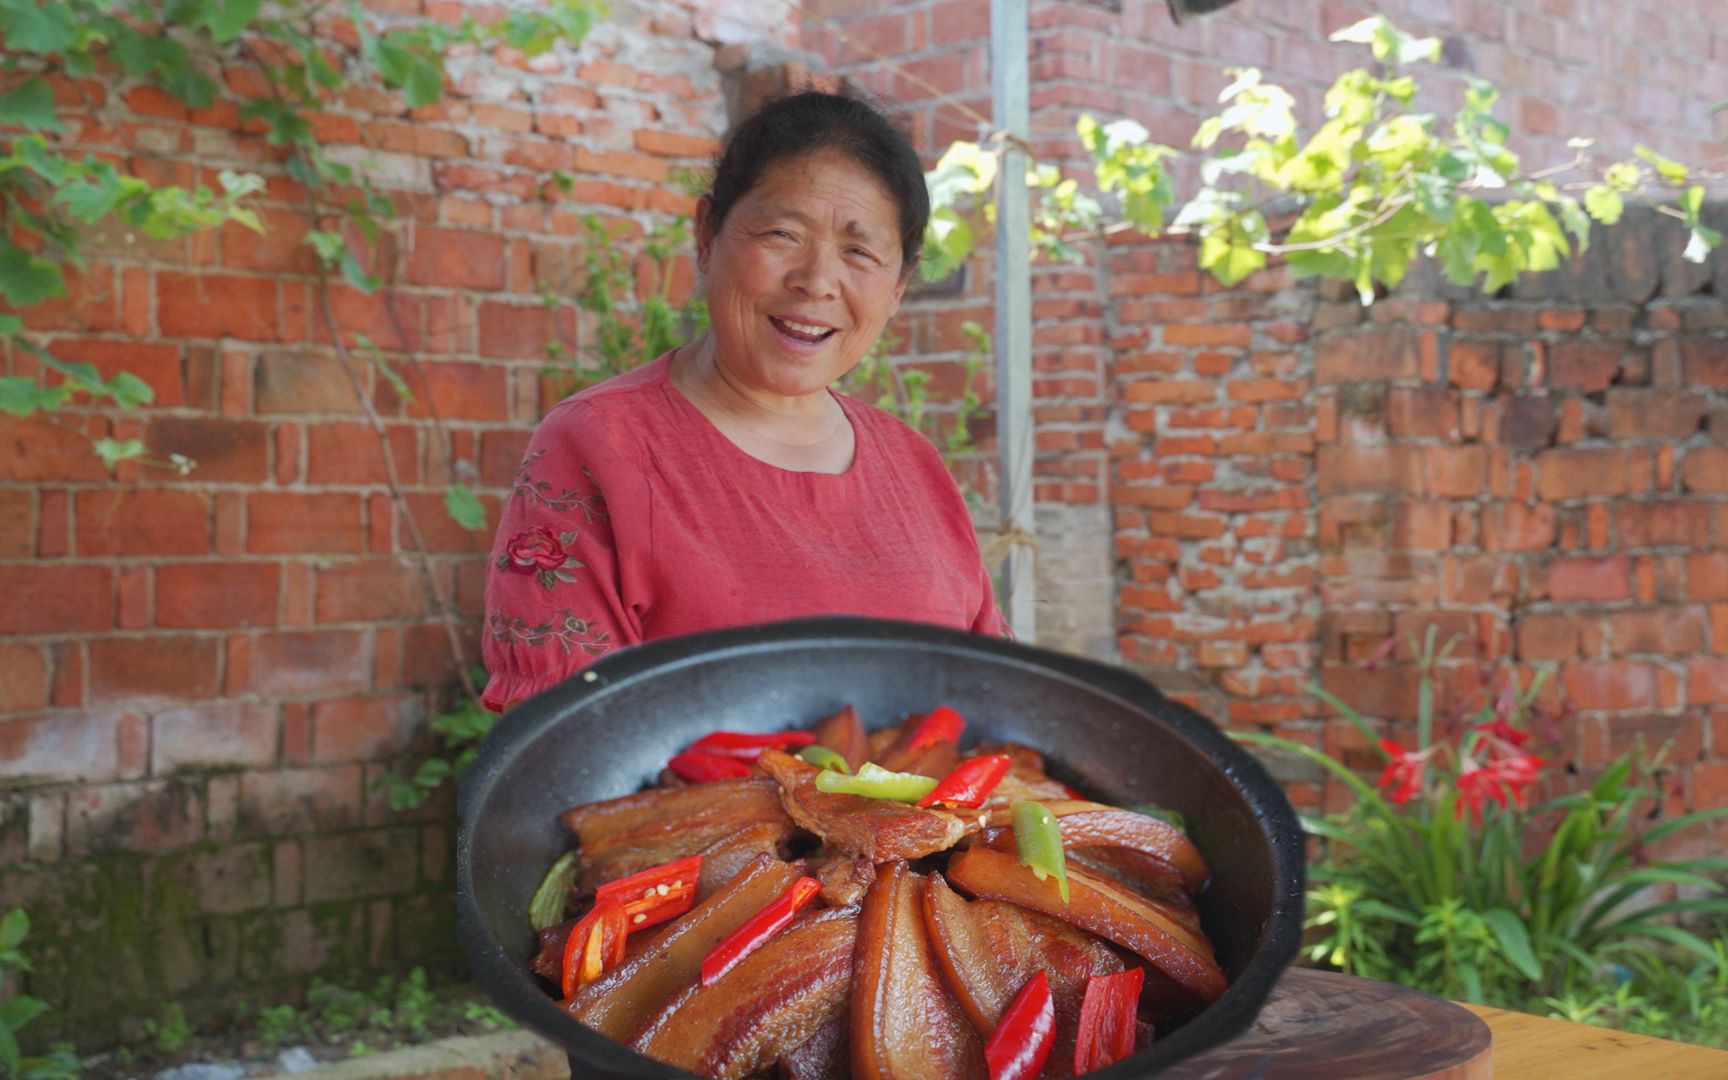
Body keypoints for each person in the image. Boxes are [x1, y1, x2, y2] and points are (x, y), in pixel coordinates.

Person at [481, 89, 1009, 713]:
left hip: (937, 814)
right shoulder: (601, 444)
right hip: (684, 814)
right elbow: (566, 744)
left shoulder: (915, 466)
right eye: (783, 233)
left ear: (899, 284)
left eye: (860, 252)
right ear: (707, 235)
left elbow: (998, 710)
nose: (816, 281)